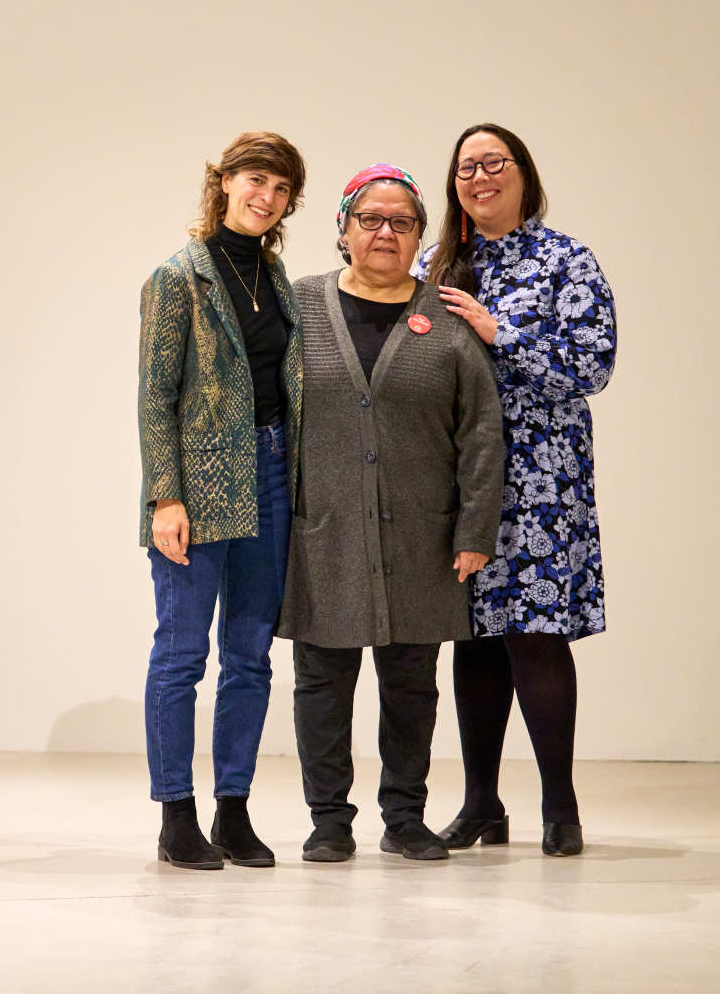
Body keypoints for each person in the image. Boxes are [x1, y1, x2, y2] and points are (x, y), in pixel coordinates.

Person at [278, 164, 504, 863]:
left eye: (401, 222)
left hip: (423, 539)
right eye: (370, 220)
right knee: (323, 683)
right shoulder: (299, 306)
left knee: (411, 684)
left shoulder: (448, 317)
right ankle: (328, 820)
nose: (385, 232)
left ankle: (405, 817)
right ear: (343, 230)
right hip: (323, 536)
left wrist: (474, 530)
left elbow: (481, 431)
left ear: (419, 236)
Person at [417, 123, 618, 858]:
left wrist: (502, 335)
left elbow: (593, 367)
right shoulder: (436, 262)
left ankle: (560, 807)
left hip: (541, 476)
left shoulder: (567, 260)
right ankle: (480, 804)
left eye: (494, 162)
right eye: (467, 166)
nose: (480, 176)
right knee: (471, 637)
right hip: (459, 478)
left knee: (534, 634)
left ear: (524, 175)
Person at [137, 131, 307, 870]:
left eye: (280, 190)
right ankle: (177, 816)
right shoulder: (178, 278)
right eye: (255, 180)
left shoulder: (279, 281)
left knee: (251, 657)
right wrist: (165, 497)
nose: (265, 197)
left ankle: (232, 810)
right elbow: (153, 398)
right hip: (198, 488)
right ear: (225, 181)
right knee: (182, 654)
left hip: (270, 478)